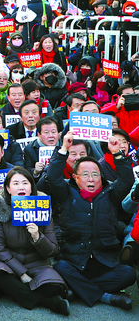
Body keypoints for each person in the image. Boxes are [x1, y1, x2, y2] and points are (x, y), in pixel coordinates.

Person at [49, 132, 136, 310]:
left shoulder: (111, 193)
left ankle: (77, 289)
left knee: (128, 274)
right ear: (75, 177)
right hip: (74, 260)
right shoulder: (66, 192)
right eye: (86, 174)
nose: (91, 179)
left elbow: (127, 180)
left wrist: (117, 153)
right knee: (59, 267)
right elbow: (53, 177)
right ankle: (107, 297)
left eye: (95, 174)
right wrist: (63, 149)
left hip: (104, 262)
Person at [0, 167, 70, 314]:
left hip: (36, 261)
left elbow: (53, 250)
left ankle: (10, 291)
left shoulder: (42, 209)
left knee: (55, 287)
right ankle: (48, 302)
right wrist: (22, 274)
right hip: (6, 262)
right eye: (16, 183)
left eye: (25, 183)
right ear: (8, 188)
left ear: (31, 187)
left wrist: (38, 237)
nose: (21, 187)